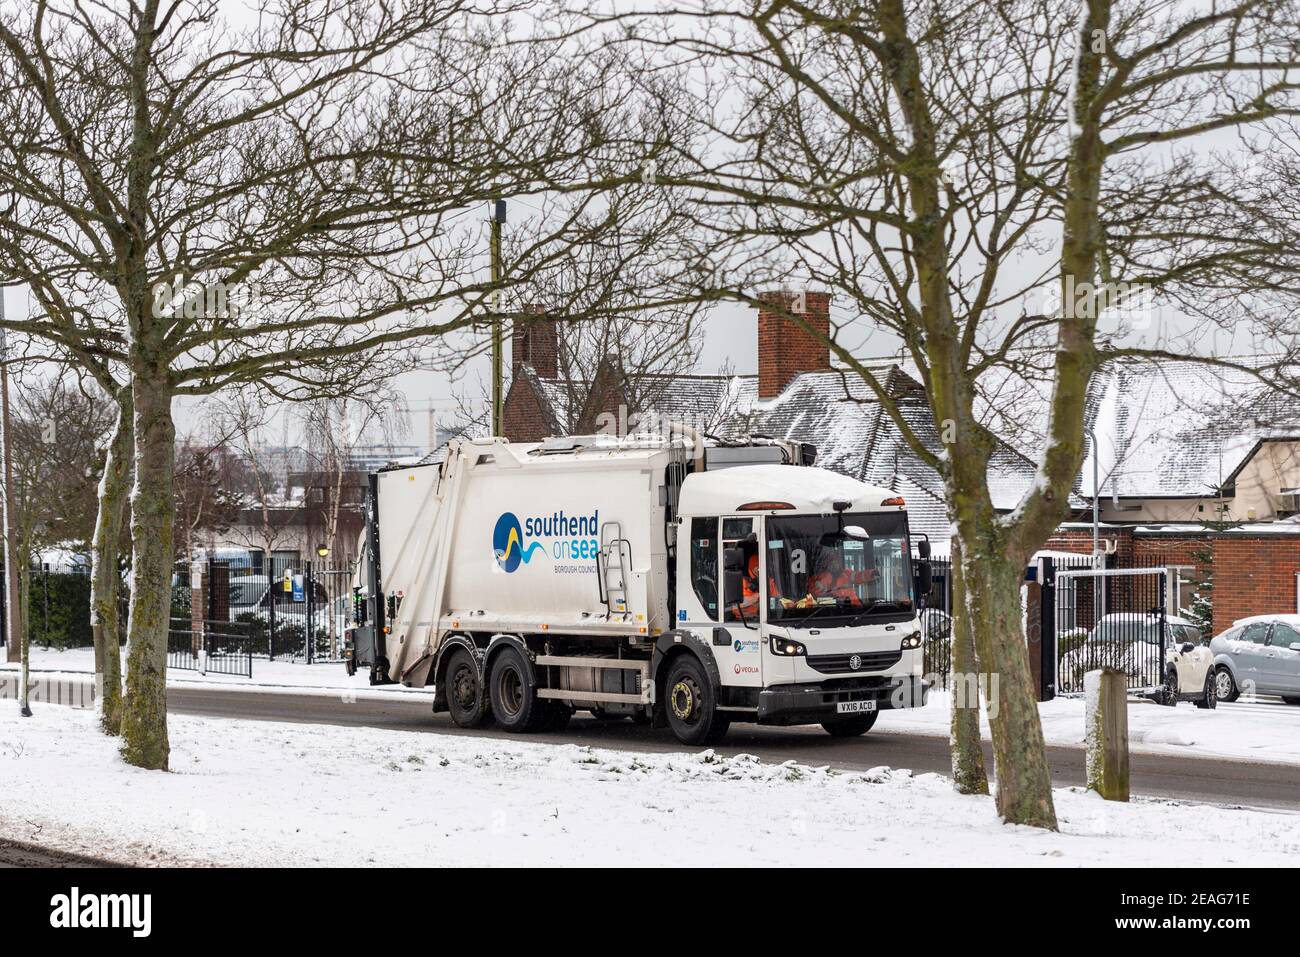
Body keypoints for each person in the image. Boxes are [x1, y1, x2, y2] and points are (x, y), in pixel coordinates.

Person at [807, 551, 878, 607]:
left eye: (836, 562)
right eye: (831, 563)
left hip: (855, 608)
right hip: (834, 612)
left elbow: (859, 576)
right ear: (826, 565)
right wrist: (824, 590)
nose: (834, 565)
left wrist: (872, 574)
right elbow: (814, 592)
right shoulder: (822, 577)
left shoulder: (846, 573)